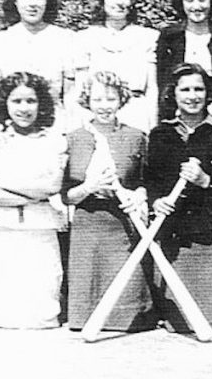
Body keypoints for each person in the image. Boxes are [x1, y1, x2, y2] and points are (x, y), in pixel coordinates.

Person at [146, 63, 212, 334]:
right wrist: (156, 201)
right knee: (179, 325)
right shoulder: (160, 135)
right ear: (173, 94)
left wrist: (206, 181)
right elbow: (151, 182)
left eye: (199, 89)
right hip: (176, 237)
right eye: (185, 89)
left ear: (208, 93)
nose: (192, 96)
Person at [0, 72, 68, 329]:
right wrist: (27, 195)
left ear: (41, 104)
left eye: (30, 101)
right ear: (5, 104)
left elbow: (52, 186)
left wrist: (2, 185)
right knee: (2, 306)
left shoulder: (53, 141)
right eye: (17, 101)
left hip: (40, 226)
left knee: (41, 305)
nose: (24, 108)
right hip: (0, 227)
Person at [63, 71, 154, 332]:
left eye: (111, 99)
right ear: (87, 101)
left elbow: (146, 181)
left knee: (126, 296)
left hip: (123, 226)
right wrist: (89, 188)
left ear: (121, 100)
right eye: (98, 99)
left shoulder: (136, 137)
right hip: (87, 228)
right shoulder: (74, 139)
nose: (104, 105)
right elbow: (65, 195)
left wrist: (138, 196)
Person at [0, 0, 75, 131]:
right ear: (15, 1)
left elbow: (70, 95)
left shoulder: (66, 39)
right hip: (9, 130)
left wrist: (71, 131)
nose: (32, 4)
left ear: (47, 1)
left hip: (54, 127)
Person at [72, 0, 158, 134]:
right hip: (97, 117)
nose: (119, 2)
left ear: (132, 1)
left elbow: (152, 90)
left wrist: (153, 130)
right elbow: (80, 91)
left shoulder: (148, 37)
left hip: (136, 117)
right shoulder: (84, 38)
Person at [156, 0, 212, 119]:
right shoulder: (169, 38)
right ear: (181, 2)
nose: (196, 6)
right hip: (175, 118)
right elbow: (162, 82)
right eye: (189, 0)